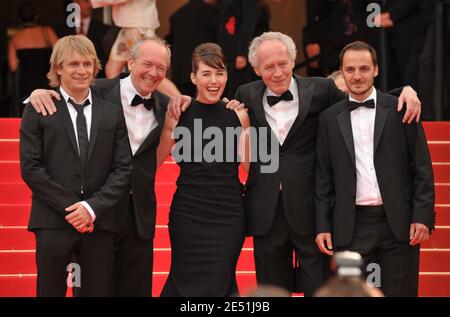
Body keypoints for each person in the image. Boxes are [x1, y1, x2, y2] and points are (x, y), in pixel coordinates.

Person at [169, 32, 422, 296]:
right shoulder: (246, 95)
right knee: (271, 291)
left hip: (310, 208)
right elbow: (214, 110)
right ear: (256, 69)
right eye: (268, 67)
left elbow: (360, 99)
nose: (277, 72)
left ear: (293, 61)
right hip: (265, 211)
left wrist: (403, 91)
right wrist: (182, 98)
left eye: (282, 64)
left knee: (318, 288)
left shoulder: (321, 90)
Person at [27, 37, 191, 296]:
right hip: (98, 212)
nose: (154, 73)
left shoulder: (166, 105)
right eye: (147, 64)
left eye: (161, 68)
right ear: (130, 62)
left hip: (139, 215)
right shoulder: (98, 90)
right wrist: (36, 92)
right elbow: (67, 91)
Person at [314, 41, 435, 296]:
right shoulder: (328, 119)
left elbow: (422, 166)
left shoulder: (401, 108)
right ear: (342, 72)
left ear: (376, 70)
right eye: (350, 69)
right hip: (350, 223)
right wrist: (322, 224)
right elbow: (323, 176)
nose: (357, 76)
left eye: (364, 68)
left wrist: (422, 216)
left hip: (398, 223)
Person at [19, 35, 132, 296]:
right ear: (58, 67)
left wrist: (91, 209)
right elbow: (31, 167)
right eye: (73, 64)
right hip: (52, 221)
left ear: (95, 67)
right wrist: (73, 208)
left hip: (98, 223)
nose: (81, 71)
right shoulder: (38, 109)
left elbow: (123, 167)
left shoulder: (112, 112)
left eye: (87, 64)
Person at [158, 43, 250, 297]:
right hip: (188, 213)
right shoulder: (179, 113)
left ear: (227, 76)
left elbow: (250, 169)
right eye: (206, 74)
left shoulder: (238, 115)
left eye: (219, 73)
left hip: (228, 215)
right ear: (193, 77)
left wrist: (246, 128)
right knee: (183, 282)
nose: (213, 80)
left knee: (221, 283)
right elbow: (154, 162)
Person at [8, 2, 58, 114]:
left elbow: (13, 66)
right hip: (47, 79)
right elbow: (60, 53)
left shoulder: (15, 38)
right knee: (50, 110)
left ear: (19, 19)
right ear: (36, 16)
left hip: (26, 83)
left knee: (28, 112)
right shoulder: (47, 31)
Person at [166, 0, 220, 97]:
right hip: (201, 67)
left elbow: (169, 41)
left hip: (179, 71)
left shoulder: (178, 14)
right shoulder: (212, 11)